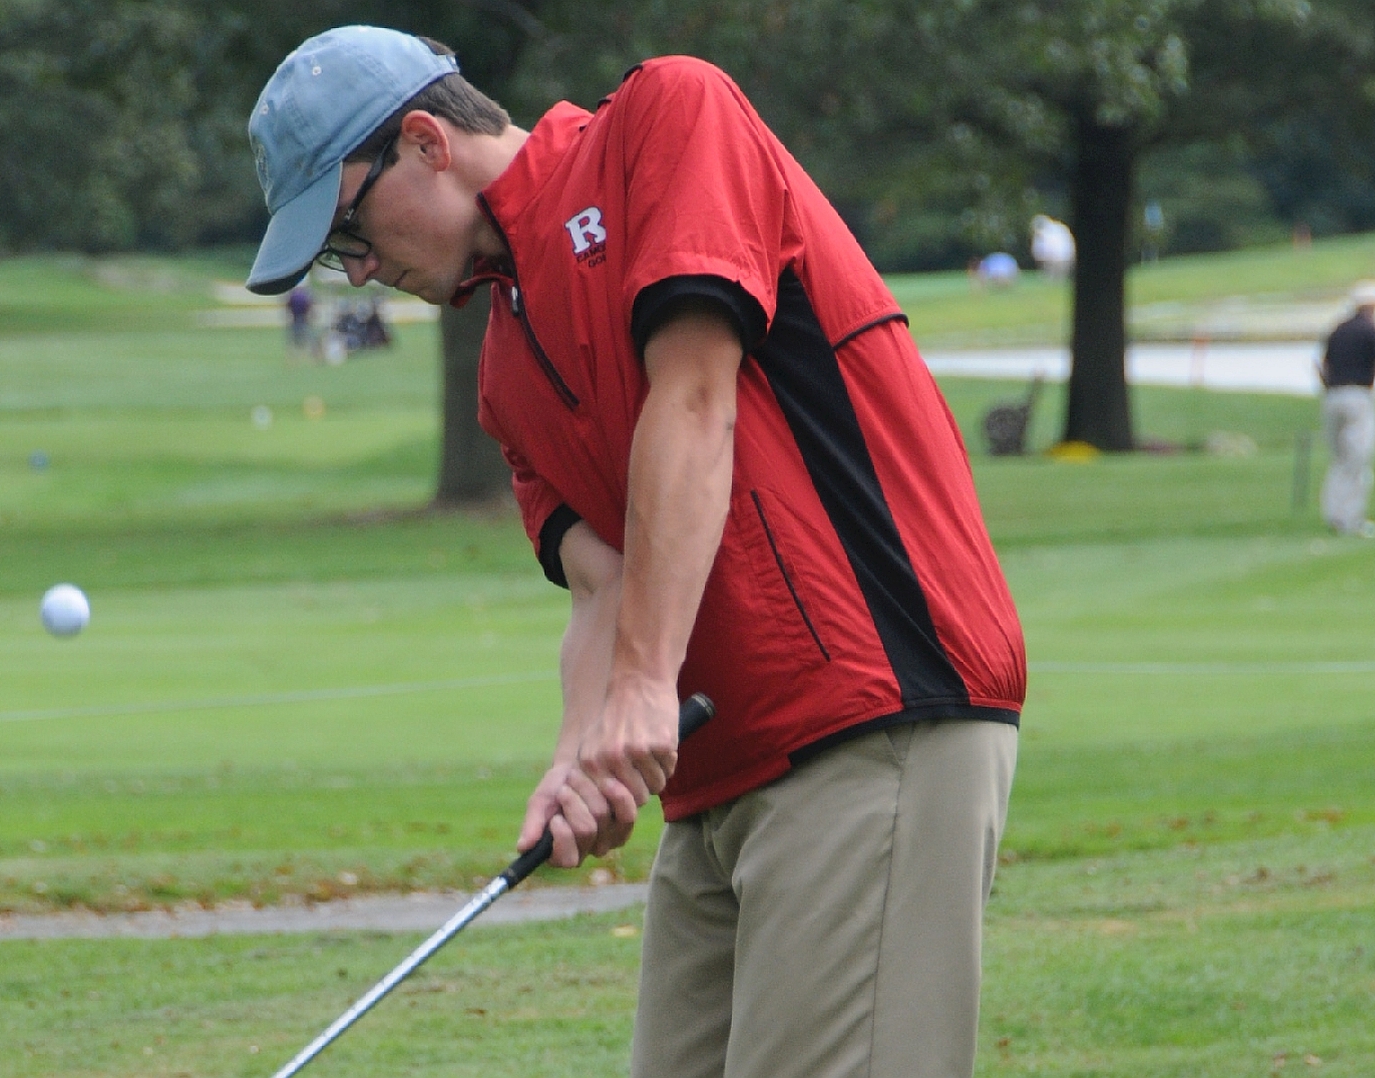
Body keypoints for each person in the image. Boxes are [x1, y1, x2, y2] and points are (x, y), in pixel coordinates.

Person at [243, 26, 1025, 1078]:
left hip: (874, 708)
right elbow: (598, 584)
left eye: (348, 230)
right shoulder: (504, 370)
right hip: (715, 771)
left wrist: (646, 686)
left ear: (426, 142)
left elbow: (696, 398)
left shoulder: (668, 117)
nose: (360, 268)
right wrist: (578, 758)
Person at [1318, 280, 1375, 537]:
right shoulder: (1372, 331)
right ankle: (1351, 518)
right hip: (1359, 396)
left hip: (1332, 397)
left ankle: (1335, 514)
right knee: (1358, 460)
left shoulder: (1337, 330)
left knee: (1340, 459)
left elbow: (1322, 366)